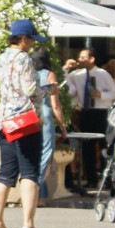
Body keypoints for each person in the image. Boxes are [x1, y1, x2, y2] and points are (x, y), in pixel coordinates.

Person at [0, 19, 48, 228]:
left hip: (3, 120)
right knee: (30, 172)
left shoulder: (2, 58)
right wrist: (47, 90)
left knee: (5, 172)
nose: (32, 43)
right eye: (31, 39)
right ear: (23, 38)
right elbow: (30, 89)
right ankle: (28, 224)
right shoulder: (24, 59)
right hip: (25, 120)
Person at [64, 47, 115, 190]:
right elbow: (67, 86)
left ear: (91, 59)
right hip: (85, 112)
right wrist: (65, 69)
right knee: (86, 146)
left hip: (101, 112)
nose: (80, 60)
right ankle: (91, 178)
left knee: (103, 145)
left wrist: (101, 95)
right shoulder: (77, 75)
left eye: (83, 57)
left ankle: (107, 178)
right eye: (79, 57)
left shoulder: (102, 74)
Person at [32, 48, 68, 201]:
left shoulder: (29, 73)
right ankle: (34, 193)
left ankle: (39, 196)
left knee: (34, 156)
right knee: (46, 157)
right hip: (45, 118)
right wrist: (62, 125)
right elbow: (56, 104)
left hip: (31, 117)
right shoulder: (48, 74)